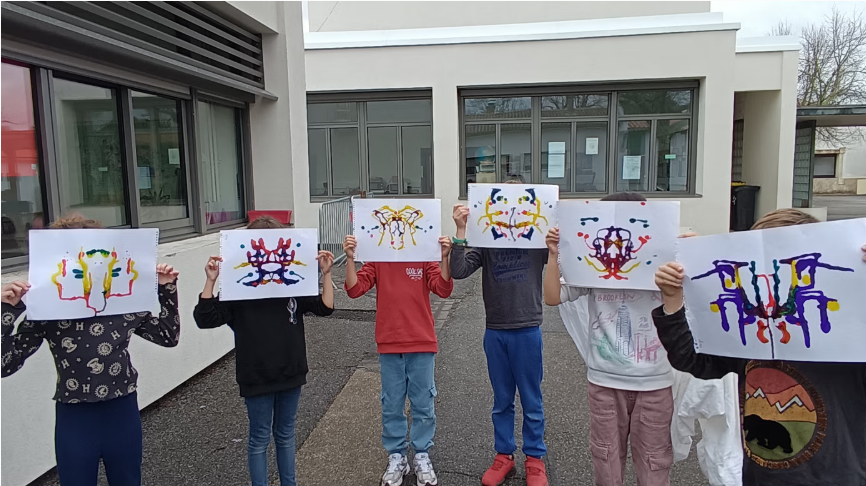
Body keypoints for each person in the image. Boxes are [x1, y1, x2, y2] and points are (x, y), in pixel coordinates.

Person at [652, 208, 866, 486]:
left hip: (839, 475)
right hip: (762, 476)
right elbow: (693, 360)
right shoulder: (753, 333)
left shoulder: (850, 332)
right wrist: (673, 298)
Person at [1, 214, 181, 486]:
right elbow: (5, 364)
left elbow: (168, 336)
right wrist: (7, 311)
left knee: (127, 480)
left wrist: (166, 288)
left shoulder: (124, 302)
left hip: (121, 407)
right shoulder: (48, 309)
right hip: (75, 413)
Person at [543, 192, 685, 486]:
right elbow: (553, 296)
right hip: (605, 381)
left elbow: (689, 304)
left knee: (654, 462)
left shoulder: (662, 268)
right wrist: (554, 256)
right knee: (606, 459)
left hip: (654, 382)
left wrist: (685, 252)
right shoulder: (592, 269)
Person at [193, 216, 335, 486]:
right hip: (256, 374)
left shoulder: (293, 285)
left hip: (291, 370)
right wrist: (211, 281)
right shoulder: (239, 289)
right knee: (259, 438)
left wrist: (326, 274)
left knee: (285, 434)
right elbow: (205, 318)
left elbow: (324, 307)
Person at [450, 198, 549, 486]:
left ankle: (535, 458)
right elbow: (458, 271)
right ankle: (504, 455)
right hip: (495, 330)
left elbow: (566, 258)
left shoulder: (537, 240)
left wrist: (559, 226)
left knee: (531, 399)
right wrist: (460, 230)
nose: (512, 216)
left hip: (528, 328)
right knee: (502, 400)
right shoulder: (486, 241)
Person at [342, 233, 454, 486]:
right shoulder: (378, 258)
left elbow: (443, 288)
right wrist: (350, 258)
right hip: (389, 343)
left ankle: (422, 454)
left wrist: (445, 257)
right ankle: (397, 456)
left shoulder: (424, 256)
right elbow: (355, 289)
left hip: (421, 342)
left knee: (423, 403)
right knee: (392, 405)